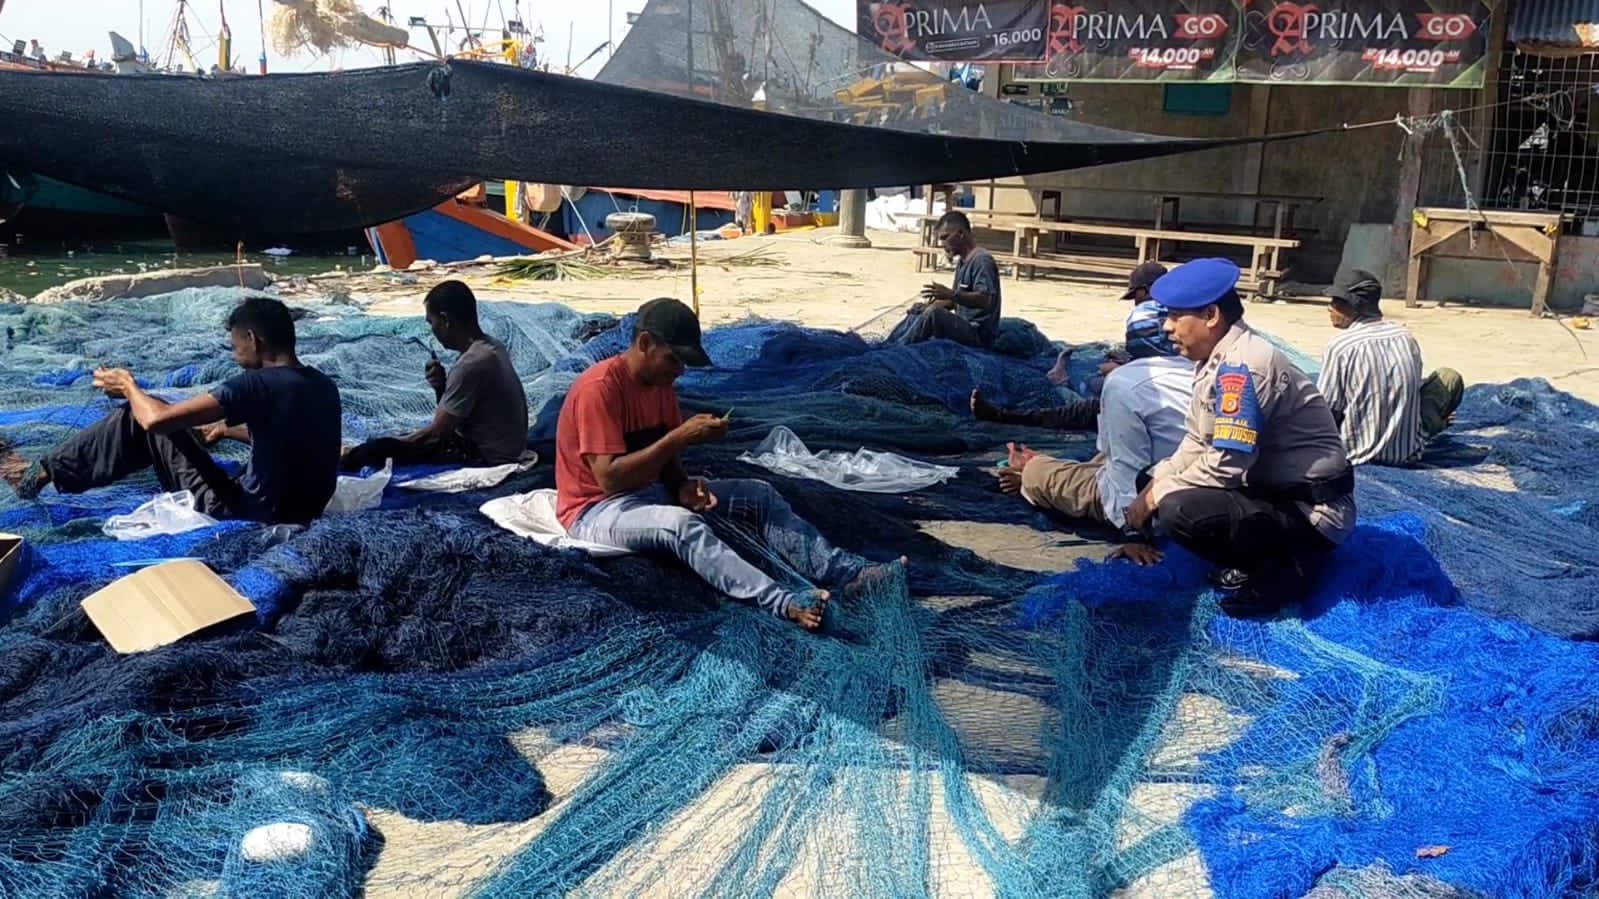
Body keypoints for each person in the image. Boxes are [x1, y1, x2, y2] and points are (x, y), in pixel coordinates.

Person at [555, 297, 899, 631]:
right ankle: (782, 602)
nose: (679, 371)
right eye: (673, 360)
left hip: (650, 490)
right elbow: (610, 480)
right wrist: (679, 438)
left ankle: (846, 573)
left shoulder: (660, 386)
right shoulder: (599, 389)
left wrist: (682, 486)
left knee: (760, 494)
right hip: (595, 510)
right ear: (645, 344)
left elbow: (667, 460)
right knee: (681, 526)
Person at [1120, 258, 1355, 617]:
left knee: (1178, 510)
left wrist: (1158, 495)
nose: (1166, 327)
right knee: (1151, 478)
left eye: (1175, 316)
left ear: (1211, 315)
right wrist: (1154, 484)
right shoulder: (1215, 358)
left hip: (1308, 511)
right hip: (1268, 491)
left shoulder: (1243, 367)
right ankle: (1251, 555)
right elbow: (1197, 442)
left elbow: (1227, 464)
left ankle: (1281, 574)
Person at [0, 296, 342, 525]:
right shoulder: (322, 384)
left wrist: (128, 385)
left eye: (235, 345)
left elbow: (156, 421)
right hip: (304, 509)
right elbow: (289, 437)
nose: (234, 354)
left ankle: (39, 475)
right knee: (161, 416)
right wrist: (226, 429)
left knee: (137, 416)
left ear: (253, 340)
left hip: (247, 511)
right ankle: (47, 471)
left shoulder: (255, 384)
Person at [994, 303, 1193, 560]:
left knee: (1038, 471)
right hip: (1182, 484)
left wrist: (1133, 532)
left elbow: (1127, 470)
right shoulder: (1205, 368)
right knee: (1102, 457)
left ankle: (1028, 477)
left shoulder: (1124, 383)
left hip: (1149, 503)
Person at [339, 280, 529, 472]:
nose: (432, 330)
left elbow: (436, 435)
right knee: (397, 439)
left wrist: (375, 449)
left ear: (445, 320)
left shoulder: (471, 364)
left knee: (379, 449)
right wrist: (441, 386)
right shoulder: (493, 347)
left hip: (487, 455)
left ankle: (347, 458)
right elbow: (457, 415)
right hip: (508, 447)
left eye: (432, 322)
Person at [972, 262, 1173, 429]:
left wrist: (1119, 371)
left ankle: (1023, 407)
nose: (1135, 302)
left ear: (1146, 290)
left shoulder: (1145, 314)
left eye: (1136, 295)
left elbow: (1150, 365)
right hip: (1151, 384)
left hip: (1146, 396)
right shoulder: (1176, 313)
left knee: (1082, 403)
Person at [1317, 269, 1464, 466]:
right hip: (1407, 453)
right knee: (1448, 377)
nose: (1330, 308)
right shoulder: (1405, 337)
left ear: (1354, 306)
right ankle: (1433, 426)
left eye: (1336, 302)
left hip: (1355, 455)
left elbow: (1326, 412)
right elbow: (1409, 390)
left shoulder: (1340, 347)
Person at [887, 210, 1000, 349]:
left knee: (934, 314)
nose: (942, 244)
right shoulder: (963, 261)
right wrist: (927, 307)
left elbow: (986, 299)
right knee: (920, 310)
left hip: (978, 334)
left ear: (960, 234)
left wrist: (950, 294)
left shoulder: (981, 260)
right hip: (964, 327)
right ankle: (889, 345)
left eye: (945, 237)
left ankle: (899, 350)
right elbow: (956, 301)